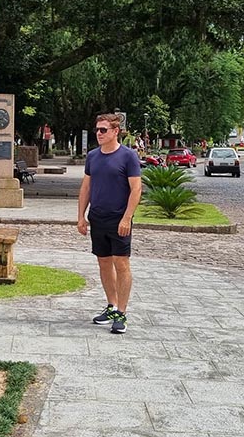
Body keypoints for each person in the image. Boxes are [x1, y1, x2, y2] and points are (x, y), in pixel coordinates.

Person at [77, 113, 142, 335]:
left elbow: (136, 189)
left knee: (120, 262)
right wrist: (81, 216)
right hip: (98, 218)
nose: (99, 133)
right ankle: (112, 306)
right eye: (97, 129)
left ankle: (122, 314)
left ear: (116, 132)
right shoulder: (93, 156)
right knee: (103, 262)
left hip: (119, 219)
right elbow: (86, 187)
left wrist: (127, 218)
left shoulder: (128, 157)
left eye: (103, 130)